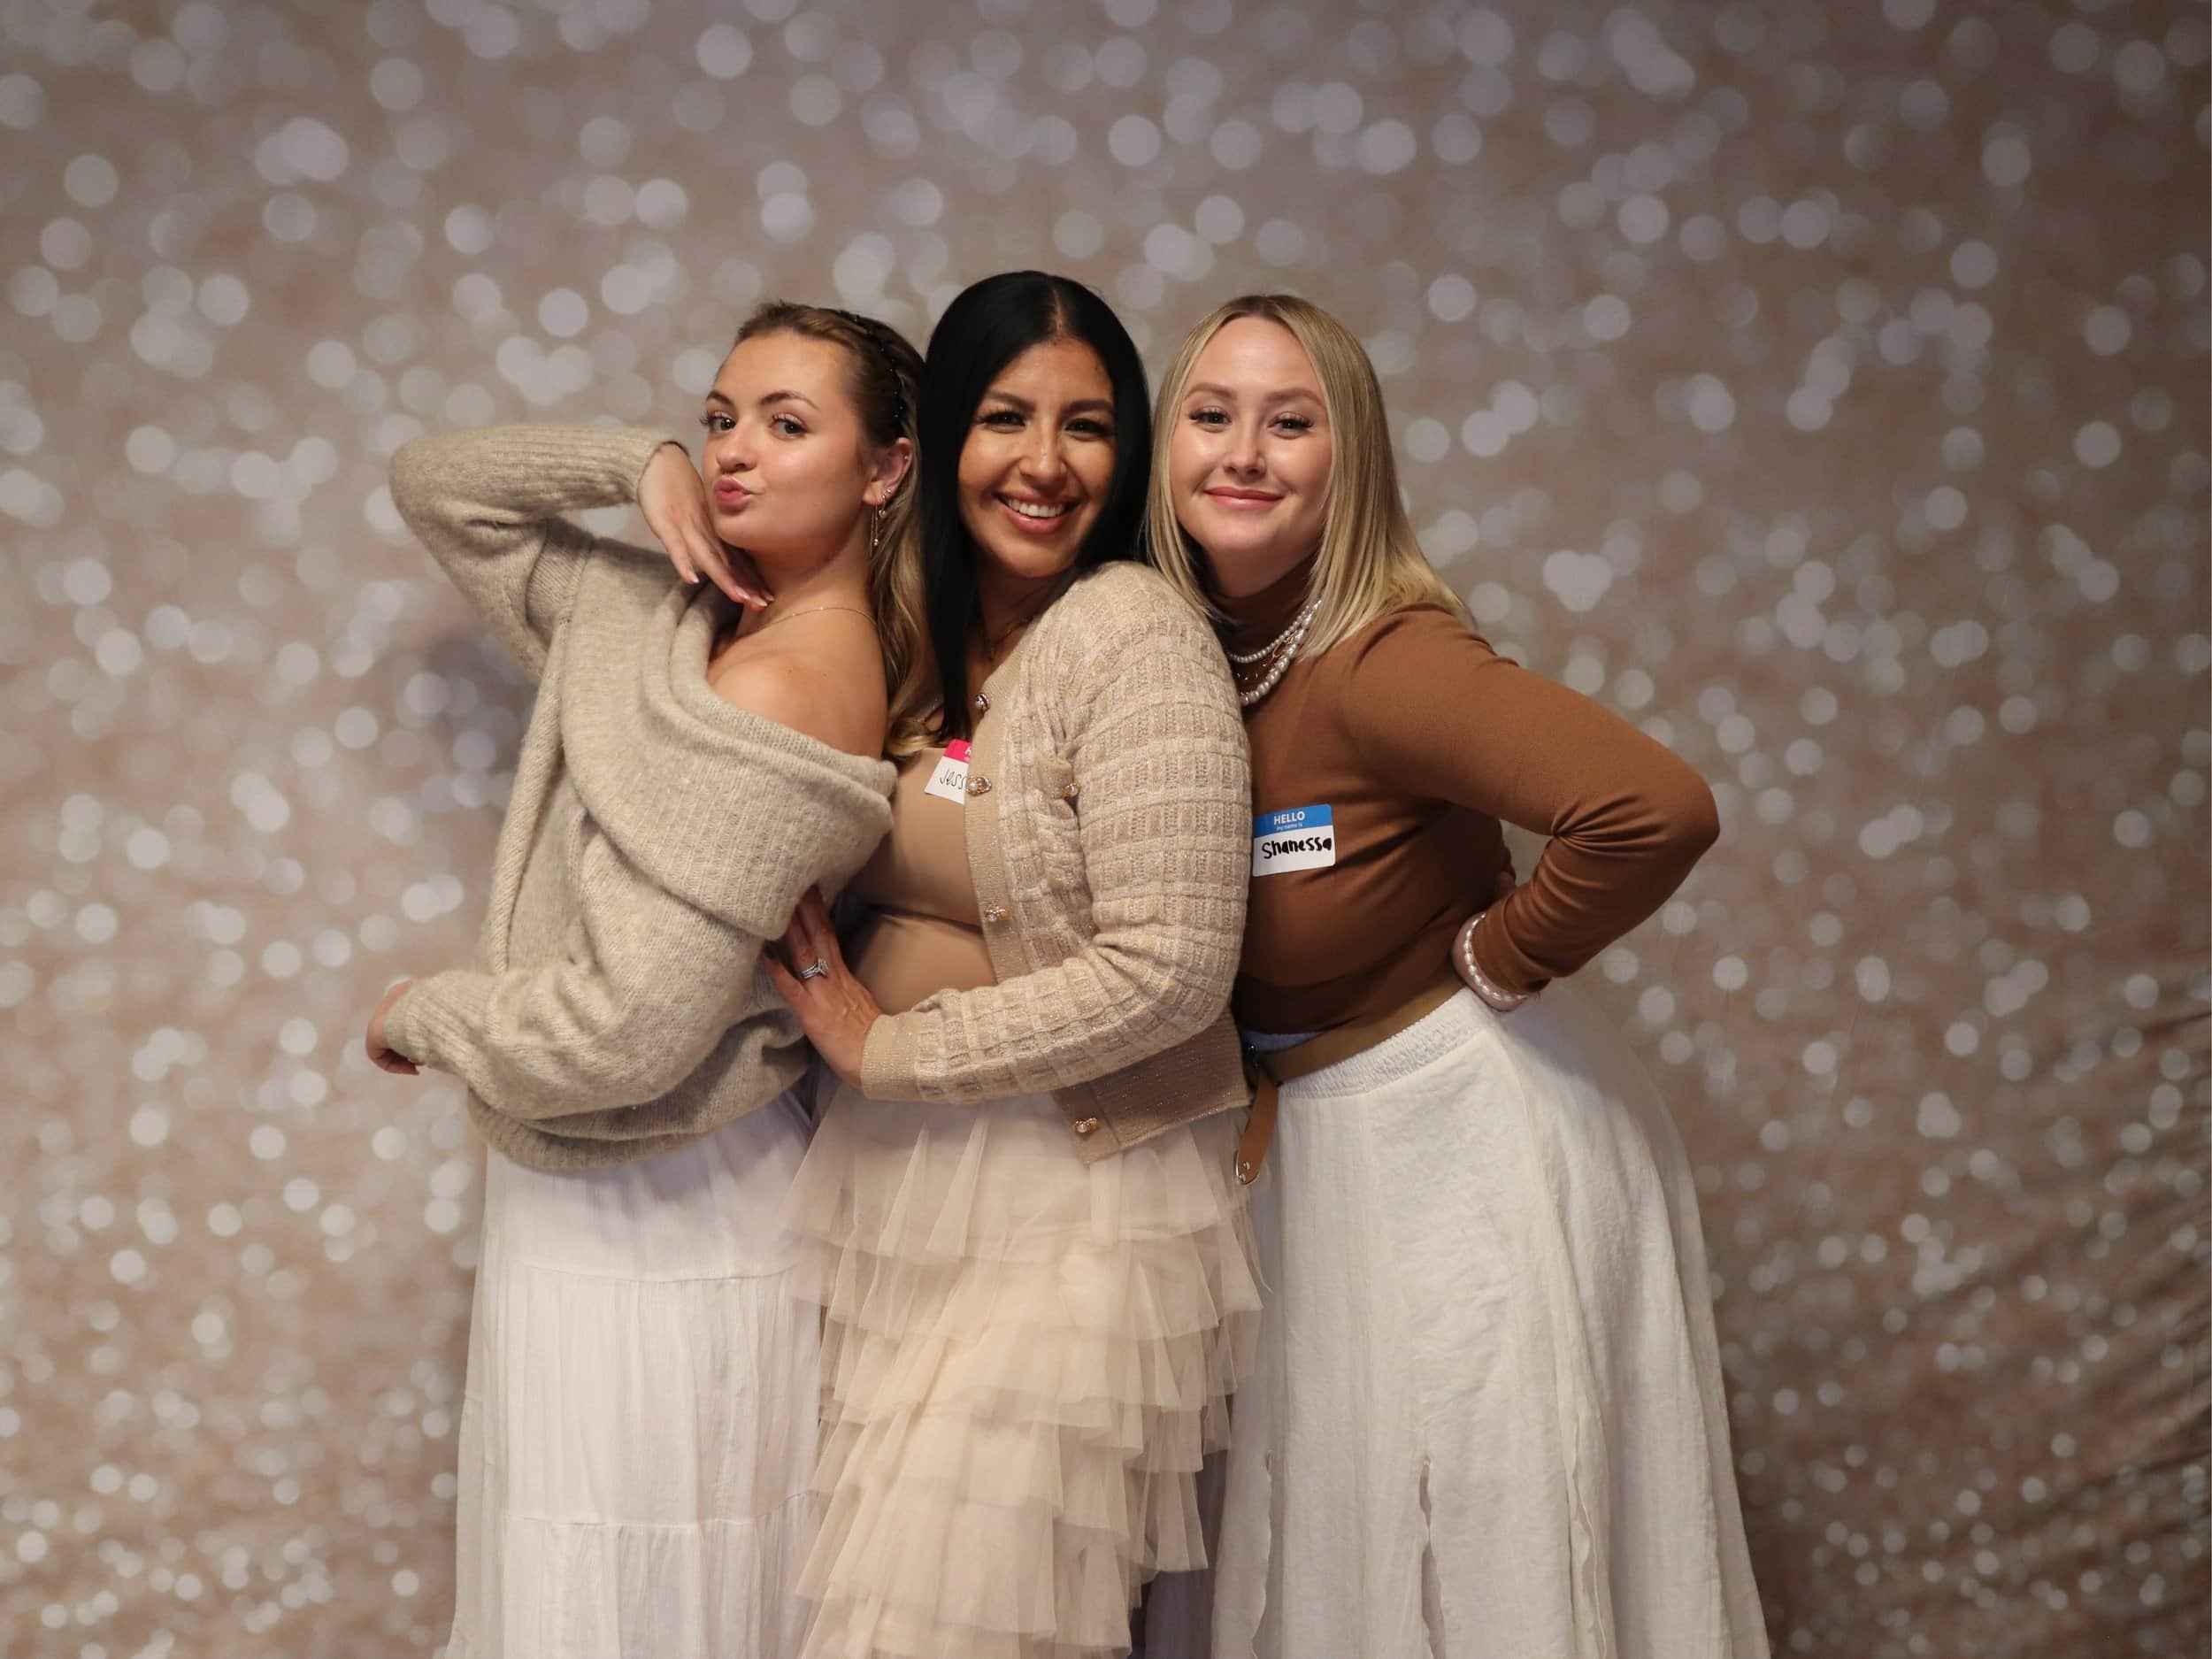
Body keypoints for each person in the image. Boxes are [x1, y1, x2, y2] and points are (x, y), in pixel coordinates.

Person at [1144, 294, 1770, 1659]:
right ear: (1166, 446)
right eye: (1212, 415)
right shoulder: (1191, 655)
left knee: (1486, 1566)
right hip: (1319, 1145)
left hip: (1460, 1151)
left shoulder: (1383, 655)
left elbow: (1652, 807)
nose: (1244, 453)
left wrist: (1503, 950)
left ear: (1348, 456)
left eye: (1291, 422)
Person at [364, 302, 920, 1659]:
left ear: (886, 470)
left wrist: (421, 1016)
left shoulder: (789, 690)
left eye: (790, 426)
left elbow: (624, 1035)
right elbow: (435, 484)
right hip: (586, 1191)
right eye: (725, 416)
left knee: (637, 1588)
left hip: (672, 1206)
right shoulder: (652, 615)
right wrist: (637, 460)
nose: (737, 452)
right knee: (578, 1578)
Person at [764, 271, 1262, 1659]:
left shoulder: (1135, 636)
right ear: (933, 452)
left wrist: (886, 1046)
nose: (1044, 466)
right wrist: (651, 475)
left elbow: (1172, 970)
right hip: (896, 1195)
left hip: (1075, 1191)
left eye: (1088, 427)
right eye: (1005, 419)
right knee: (880, 1602)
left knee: (962, 1621)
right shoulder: (917, 635)